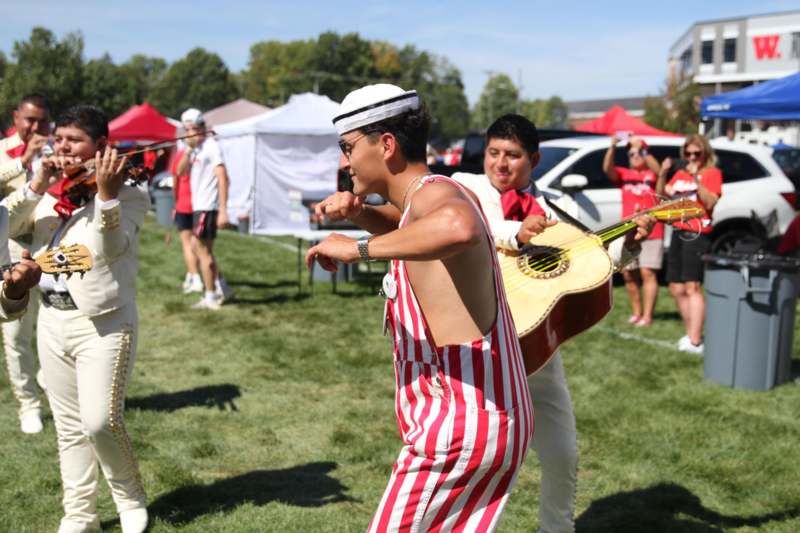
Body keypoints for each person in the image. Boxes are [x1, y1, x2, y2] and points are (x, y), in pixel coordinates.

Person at [309, 85, 533, 532]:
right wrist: (360, 213)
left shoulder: (436, 195)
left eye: (348, 148)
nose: (344, 162)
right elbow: (413, 223)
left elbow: (458, 225)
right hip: (477, 418)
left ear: (386, 145)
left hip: (460, 426)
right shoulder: (421, 200)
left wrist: (359, 249)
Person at [452, 114, 653, 533]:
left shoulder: (553, 206)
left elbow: (590, 261)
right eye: (493, 153)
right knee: (481, 455)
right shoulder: (463, 188)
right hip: (481, 346)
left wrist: (628, 246)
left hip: (538, 347)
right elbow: (463, 231)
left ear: (535, 159)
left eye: (513, 156)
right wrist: (515, 232)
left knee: (563, 453)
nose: (500, 164)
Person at [4, 104, 149, 533]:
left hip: (103, 321)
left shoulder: (129, 194)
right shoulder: (51, 191)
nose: (62, 147)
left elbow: (109, 249)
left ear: (101, 147)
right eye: (59, 138)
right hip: (52, 319)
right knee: (68, 428)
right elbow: (5, 226)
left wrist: (105, 195)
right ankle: (79, 515)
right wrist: (36, 185)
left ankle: (128, 497)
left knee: (100, 420)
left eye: (74, 141)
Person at [0, 93, 51, 434]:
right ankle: (28, 404)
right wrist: (24, 160)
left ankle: (52, 378)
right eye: (29, 119)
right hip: (13, 248)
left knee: (54, 325)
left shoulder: (57, 147)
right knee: (16, 333)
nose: (34, 127)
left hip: (50, 246)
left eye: (41, 121)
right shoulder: (3, 150)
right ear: (16, 117)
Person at [656, 134, 723, 354]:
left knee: (692, 286)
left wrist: (697, 180)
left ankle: (695, 340)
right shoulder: (680, 174)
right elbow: (661, 196)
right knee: (676, 287)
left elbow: (711, 201)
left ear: (705, 153)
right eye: (688, 153)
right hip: (678, 229)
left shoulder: (712, 173)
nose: (692, 157)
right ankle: (691, 333)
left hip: (698, 232)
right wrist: (663, 174)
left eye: (697, 153)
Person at [603, 136, 664, 327]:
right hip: (627, 232)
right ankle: (637, 313)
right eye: (631, 153)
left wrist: (644, 150)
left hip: (652, 230)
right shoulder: (624, 174)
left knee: (648, 274)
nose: (635, 156)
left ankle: (647, 316)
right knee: (629, 274)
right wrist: (612, 146)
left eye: (638, 153)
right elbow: (607, 169)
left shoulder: (653, 175)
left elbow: (660, 171)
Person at [175, 109, 233, 310]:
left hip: (207, 207)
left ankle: (211, 296)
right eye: (187, 128)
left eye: (193, 128)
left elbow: (223, 177)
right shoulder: (196, 149)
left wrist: (223, 210)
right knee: (199, 249)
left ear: (202, 127)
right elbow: (180, 171)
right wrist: (189, 150)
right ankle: (220, 288)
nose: (190, 132)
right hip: (198, 207)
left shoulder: (211, 146)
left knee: (202, 252)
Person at [171, 143, 202, 293]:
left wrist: (175, 204)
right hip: (199, 204)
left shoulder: (181, 154)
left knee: (187, 244)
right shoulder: (202, 153)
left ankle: (196, 278)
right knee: (196, 244)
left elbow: (175, 182)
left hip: (184, 203)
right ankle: (191, 275)